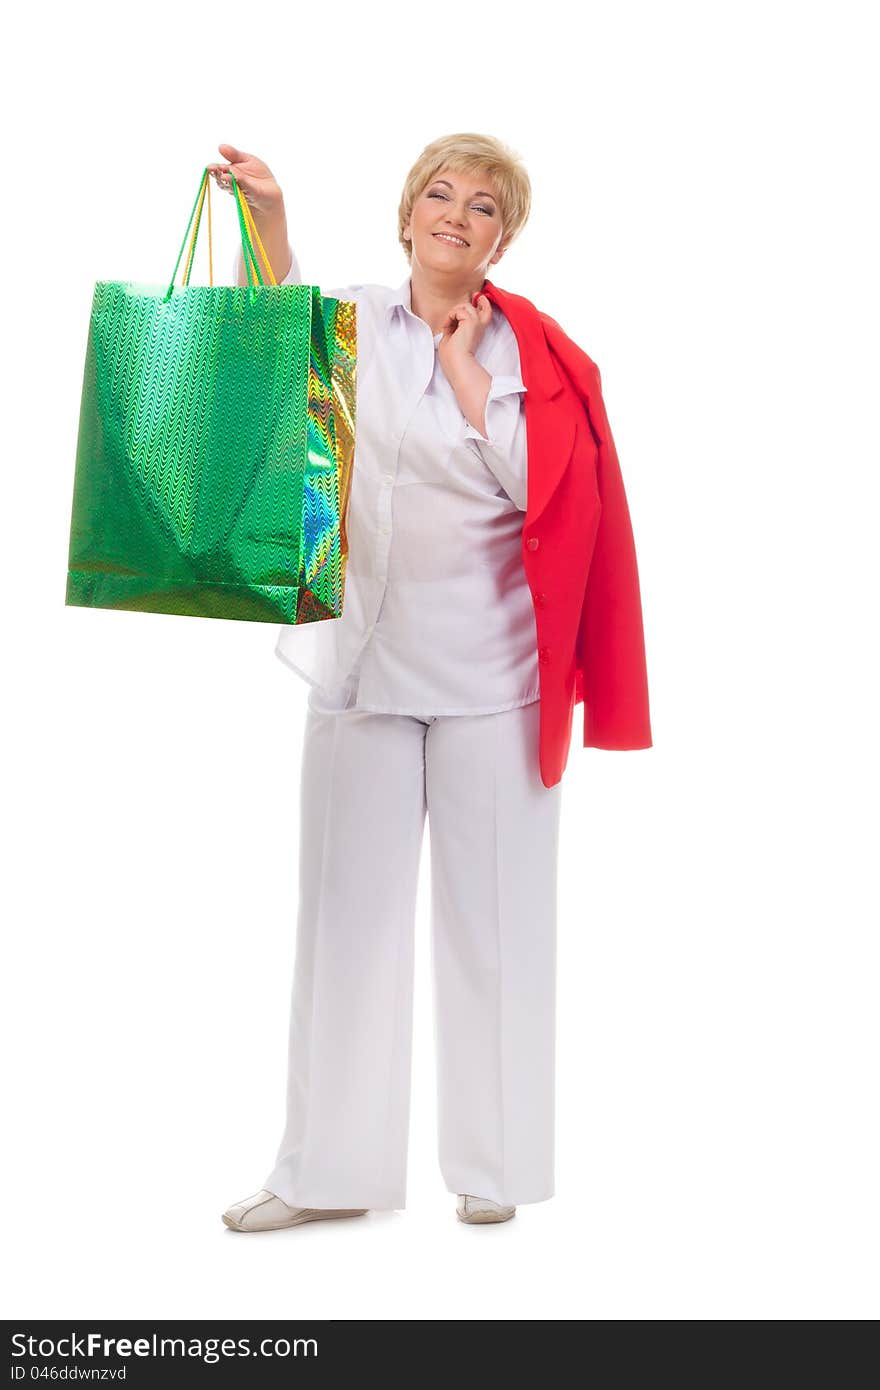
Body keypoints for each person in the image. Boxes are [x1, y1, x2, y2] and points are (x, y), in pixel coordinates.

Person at [209, 132, 646, 1232]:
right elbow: (265, 353)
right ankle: (324, 1174)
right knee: (343, 924)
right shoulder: (352, 318)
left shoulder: (525, 352)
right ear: (407, 216)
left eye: (485, 204)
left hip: (493, 675)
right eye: (440, 194)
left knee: (494, 922)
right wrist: (267, 220)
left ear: (504, 238)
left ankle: (491, 1168)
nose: (458, 212)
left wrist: (464, 379)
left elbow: (541, 489)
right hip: (361, 665)